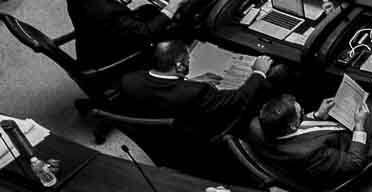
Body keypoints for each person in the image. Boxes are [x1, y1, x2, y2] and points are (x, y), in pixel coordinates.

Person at [250, 92, 372, 192]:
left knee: (371, 100)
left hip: (334, 138)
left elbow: (299, 130)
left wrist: (317, 116)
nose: (303, 112)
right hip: (353, 155)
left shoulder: (259, 125)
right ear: (293, 126)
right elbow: (354, 163)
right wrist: (359, 125)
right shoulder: (310, 155)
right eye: (301, 113)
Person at [117, 40, 274, 134]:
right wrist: (258, 71)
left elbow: (165, 90)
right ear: (179, 66)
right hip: (198, 133)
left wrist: (188, 82)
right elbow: (239, 99)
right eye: (187, 59)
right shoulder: (196, 92)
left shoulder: (129, 79)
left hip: (153, 131)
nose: (189, 62)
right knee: (276, 75)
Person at [67, 0, 193, 70]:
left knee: (148, 10)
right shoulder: (106, 11)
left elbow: (105, 6)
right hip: (111, 60)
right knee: (177, 27)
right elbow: (146, 33)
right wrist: (171, 6)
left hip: (95, 42)